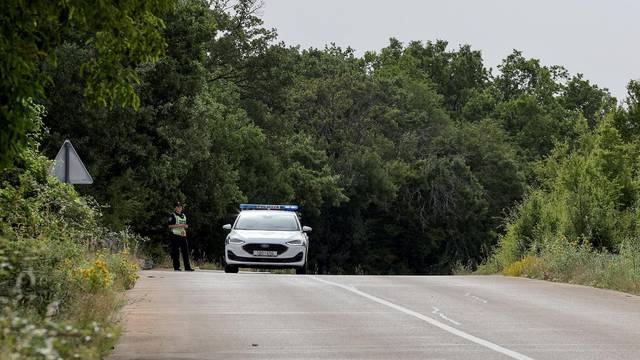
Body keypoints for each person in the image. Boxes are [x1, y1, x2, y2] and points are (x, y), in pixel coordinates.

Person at [168, 201, 194, 271]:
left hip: (183, 235)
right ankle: (176, 267)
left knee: (185, 252)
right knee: (176, 252)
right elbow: (170, 226)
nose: (179, 208)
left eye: (180, 207)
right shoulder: (172, 215)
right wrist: (180, 225)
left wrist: (185, 226)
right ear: (175, 208)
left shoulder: (184, 216)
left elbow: (184, 225)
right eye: (177, 207)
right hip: (175, 235)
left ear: (182, 208)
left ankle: (187, 267)